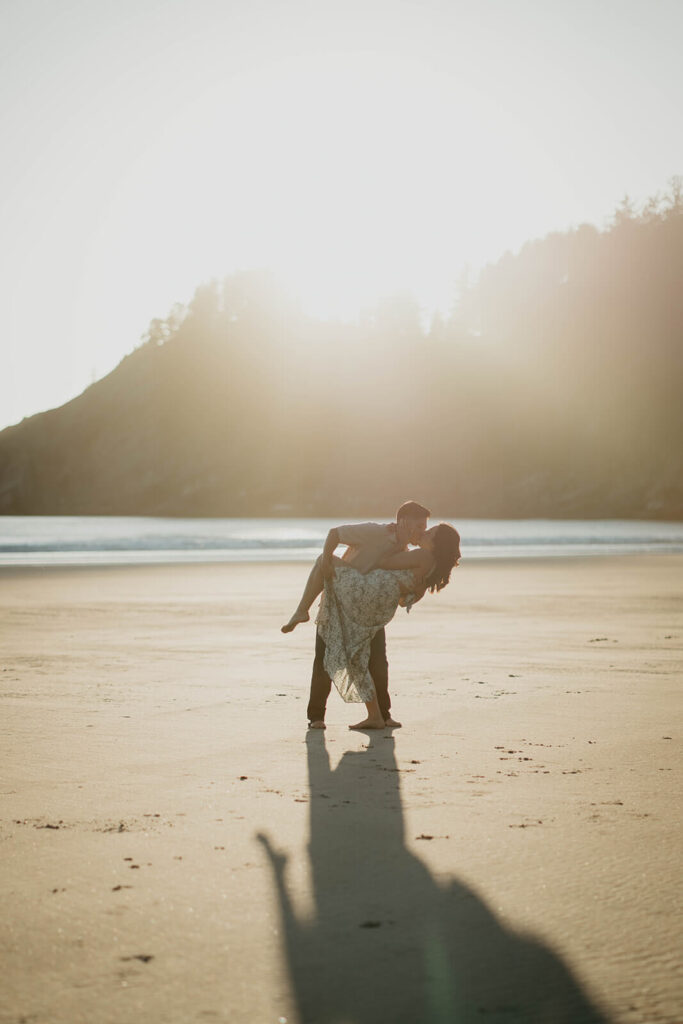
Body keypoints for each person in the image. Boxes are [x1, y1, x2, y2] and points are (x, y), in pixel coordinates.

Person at [282, 502, 432, 730]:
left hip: (367, 613)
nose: (422, 530)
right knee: (323, 659)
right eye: (420, 525)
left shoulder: (405, 553)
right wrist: (326, 560)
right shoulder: (375, 532)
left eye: (425, 527)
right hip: (337, 603)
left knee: (378, 662)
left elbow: (400, 596)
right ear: (404, 521)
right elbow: (334, 534)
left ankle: (384, 714)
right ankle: (316, 717)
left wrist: (416, 590)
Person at [318, 522, 461, 729]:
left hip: (369, 595)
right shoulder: (432, 567)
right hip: (382, 606)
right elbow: (406, 600)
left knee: (324, 560)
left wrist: (395, 547)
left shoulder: (422, 555)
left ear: (436, 542)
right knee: (358, 657)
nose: (424, 532)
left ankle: (302, 610)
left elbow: (383, 562)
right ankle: (375, 715)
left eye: (430, 533)